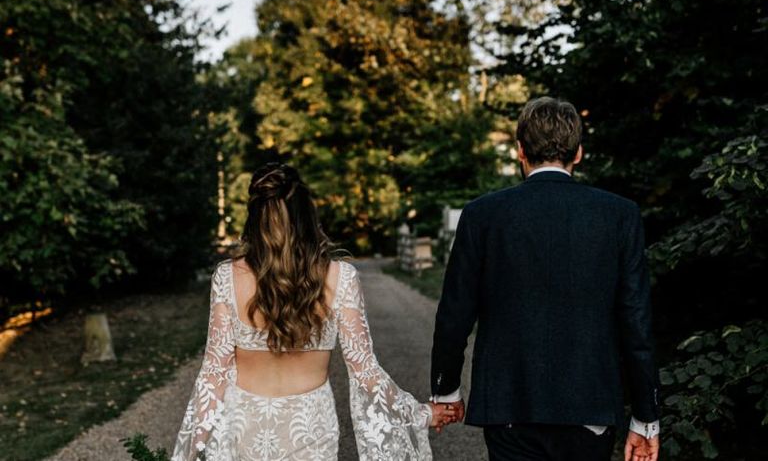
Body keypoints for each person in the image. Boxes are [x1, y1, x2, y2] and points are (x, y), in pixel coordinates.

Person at [172, 162, 455, 461]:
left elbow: (213, 376)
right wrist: (421, 414)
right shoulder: (339, 277)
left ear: (254, 218)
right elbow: (365, 372)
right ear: (307, 216)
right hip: (310, 430)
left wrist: (192, 451)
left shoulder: (228, 277)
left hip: (245, 429)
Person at [430, 97, 661, 461]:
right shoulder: (619, 215)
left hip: (510, 406)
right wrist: (646, 417)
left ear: (520, 150)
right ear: (579, 152)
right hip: (590, 406)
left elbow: (455, 314)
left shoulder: (482, 215)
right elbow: (636, 322)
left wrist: (446, 390)